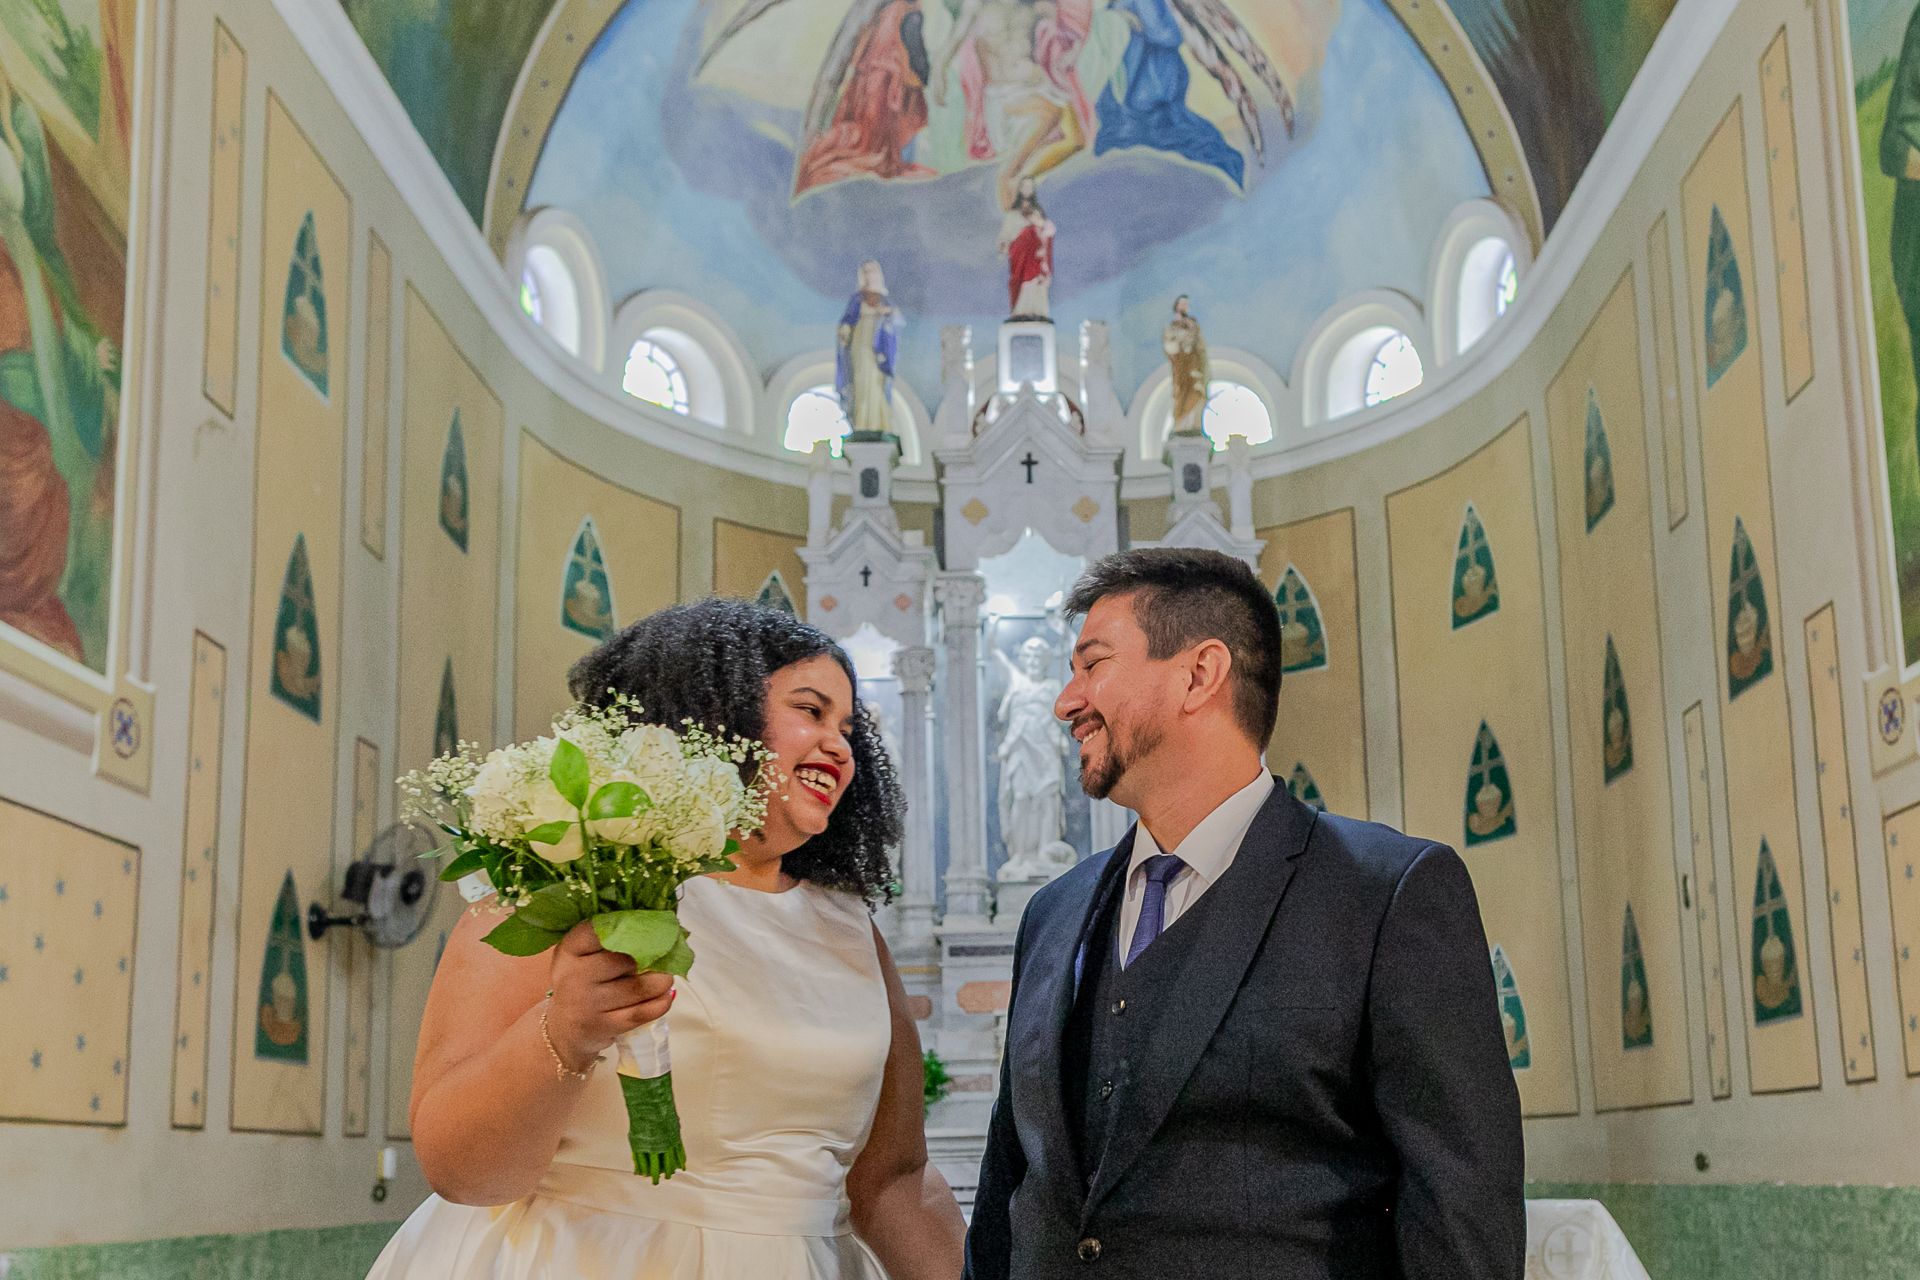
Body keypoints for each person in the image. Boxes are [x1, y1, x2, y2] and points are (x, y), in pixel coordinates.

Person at [964, 547, 1525, 1280]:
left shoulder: (1387, 895)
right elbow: (1008, 1186)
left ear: (1200, 674)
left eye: (1092, 664)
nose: (1064, 702)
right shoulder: (1052, 912)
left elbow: (1461, 1216)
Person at [368, 599, 966, 1279]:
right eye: (811, 711)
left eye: (848, 728)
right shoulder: (565, 884)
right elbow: (461, 1171)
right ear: (714, 712)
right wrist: (566, 1030)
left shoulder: (851, 929)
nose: (839, 745)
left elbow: (895, 1180)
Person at [836, 260, 902, 435]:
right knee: (861, 381)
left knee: (876, 383)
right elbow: (847, 321)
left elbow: (897, 320)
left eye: (872, 271)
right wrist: (845, 330)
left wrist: (887, 314)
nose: (869, 275)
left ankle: (879, 424)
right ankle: (861, 423)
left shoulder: (884, 299)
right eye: (866, 271)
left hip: (879, 346)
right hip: (861, 343)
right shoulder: (858, 299)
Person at [999, 176, 1055, 320]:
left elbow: (1047, 231)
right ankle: (1020, 312)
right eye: (1024, 186)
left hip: (1035, 257)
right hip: (1019, 256)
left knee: (1035, 281)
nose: (1027, 189)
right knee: (1019, 281)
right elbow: (1006, 235)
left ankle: (1037, 311)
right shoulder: (1013, 214)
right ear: (1019, 189)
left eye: (1030, 187)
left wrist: (1038, 226)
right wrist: (1005, 244)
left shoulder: (1037, 212)